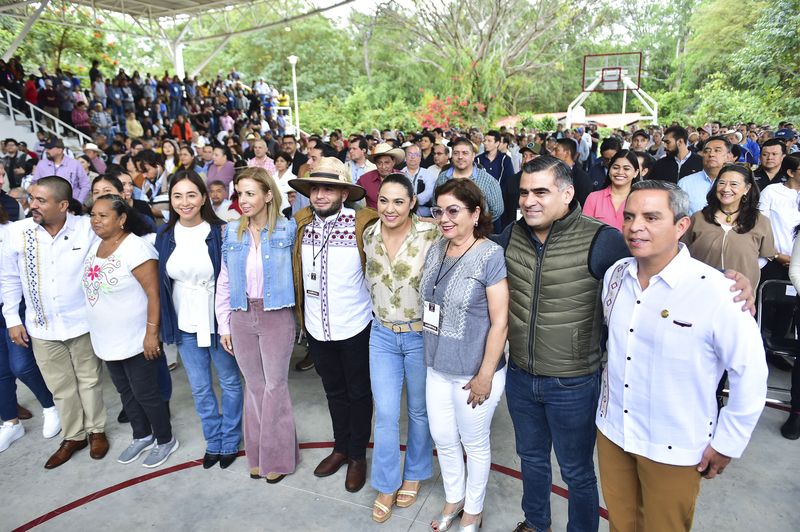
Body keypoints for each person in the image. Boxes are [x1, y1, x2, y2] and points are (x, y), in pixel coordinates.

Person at [597, 180, 768, 531]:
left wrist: (727, 442)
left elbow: (750, 374)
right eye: (629, 217)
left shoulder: (719, 292)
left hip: (673, 442)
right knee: (621, 524)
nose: (635, 227)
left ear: (681, 225)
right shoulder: (616, 275)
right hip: (615, 430)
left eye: (651, 217)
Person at [0, 176, 108, 468]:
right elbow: (9, 278)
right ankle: (74, 436)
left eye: (40, 200)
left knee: (89, 379)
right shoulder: (18, 232)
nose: (32, 205)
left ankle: (97, 430)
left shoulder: (87, 228)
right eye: (31, 198)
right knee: (60, 386)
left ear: (63, 205)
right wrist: (12, 317)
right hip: (41, 326)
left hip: (83, 322)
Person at [421, 178, 508, 532]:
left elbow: (500, 321)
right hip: (437, 365)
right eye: (438, 211)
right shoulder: (435, 249)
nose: (444, 218)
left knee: (474, 442)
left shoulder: (490, 254)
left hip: (474, 371)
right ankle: (454, 498)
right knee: (443, 438)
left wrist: (486, 373)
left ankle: (473, 509)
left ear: (475, 214)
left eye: (454, 211)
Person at [289, 157, 377, 493]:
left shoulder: (364, 224)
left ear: (343, 192)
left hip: (355, 326)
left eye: (328, 188)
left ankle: (357, 455)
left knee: (358, 393)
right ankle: (341, 447)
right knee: (333, 392)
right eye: (315, 188)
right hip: (316, 327)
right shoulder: (300, 225)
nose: (320, 195)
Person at [155, 170, 243, 470]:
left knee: (230, 381)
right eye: (177, 196)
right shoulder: (165, 235)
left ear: (204, 197)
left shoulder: (220, 231)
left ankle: (231, 437)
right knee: (200, 387)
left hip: (218, 321)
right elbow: (162, 283)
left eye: (191, 195)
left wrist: (229, 323)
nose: (184, 202)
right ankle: (214, 439)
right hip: (185, 321)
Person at [363, 174, 438, 522]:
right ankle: (387, 482)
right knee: (387, 413)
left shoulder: (431, 234)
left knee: (420, 411)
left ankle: (415, 473)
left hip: (420, 334)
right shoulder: (369, 235)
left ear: (412, 204)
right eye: (384, 201)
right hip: (382, 336)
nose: (389, 208)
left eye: (398, 201)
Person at [82, 195, 177, 467]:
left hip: (136, 337)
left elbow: (154, 294)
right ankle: (141, 435)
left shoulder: (136, 249)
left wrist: (151, 334)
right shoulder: (97, 245)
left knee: (146, 392)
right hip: (106, 337)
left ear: (122, 219)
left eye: (103, 215)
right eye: (93, 215)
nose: (96, 220)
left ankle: (165, 438)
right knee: (125, 391)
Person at [215, 167, 298, 483]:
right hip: (240, 315)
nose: (243, 200)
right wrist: (224, 325)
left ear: (267, 195)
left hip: (276, 314)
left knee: (275, 386)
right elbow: (224, 280)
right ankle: (259, 453)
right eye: (239, 193)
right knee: (255, 386)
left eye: (250, 193)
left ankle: (276, 457)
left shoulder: (286, 231)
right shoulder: (231, 232)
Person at [0, 203, 60, 453]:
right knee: (1, 371)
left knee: (21, 365)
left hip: (14, 306)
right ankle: (11, 422)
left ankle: (51, 405)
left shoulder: (15, 230)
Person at [683, 164, 776, 288]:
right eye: (721, 183)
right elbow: (683, 251)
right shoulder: (698, 218)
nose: (726, 189)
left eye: (734, 184)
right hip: (699, 287)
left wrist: (746, 268)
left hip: (740, 293)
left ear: (747, 188)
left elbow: (765, 256)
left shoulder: (760, 221)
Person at [434, 137, 504, 223]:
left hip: (477, 232)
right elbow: (435, 203)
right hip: (447, 229)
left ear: (473, 155)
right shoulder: (442, 178)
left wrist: (478, 223)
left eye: (465, 153)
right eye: (456, 153)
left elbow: (497, 210)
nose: (460, 157)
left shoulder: (488, 181)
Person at [583, 150, 641, 231]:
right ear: (609, 169)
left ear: (636, 172)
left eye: (626, 169)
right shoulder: (594, 198)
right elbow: (584, 231)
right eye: (615, 167)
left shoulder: (641, 199)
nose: (620, 172)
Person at [678, 136, 735, 215]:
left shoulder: (736, 183)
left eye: (717, 150)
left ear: (728, 157)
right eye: (707, 151)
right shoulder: (685, 183)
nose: (711, 154)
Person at [31, 137, 91, 203]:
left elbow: (85, 185)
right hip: (46, 204)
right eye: (46, 148)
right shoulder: (42, 164)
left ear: (60, 150)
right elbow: (34, 183)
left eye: (50, 148)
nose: (46, 151)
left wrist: (79, 202)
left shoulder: (74, 164)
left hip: (70, 204)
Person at [357, 143, 405, 209]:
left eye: (387, 162)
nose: (383, 167)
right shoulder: (365, 179)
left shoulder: (403, 178)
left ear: (393, 162)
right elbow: (353, 196)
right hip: (373, 217)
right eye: (379, 163)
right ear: (375, 164)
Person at [401, 144, 437, 218]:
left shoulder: (428, 174)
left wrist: (409, 201)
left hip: (425, 217)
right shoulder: (400, 174)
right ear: (405, 158)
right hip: (404, 215)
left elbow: (429, 193)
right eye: (410, 154)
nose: (413, 157)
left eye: (416, 154)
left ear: (420, 158)